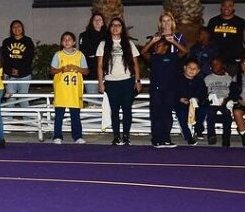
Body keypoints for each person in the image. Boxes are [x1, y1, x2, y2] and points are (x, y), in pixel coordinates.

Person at [97, 17, 142, 146]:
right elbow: (99, 65)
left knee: (127, 109)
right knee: (114, 110)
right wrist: (101, 82)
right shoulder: (103, 44)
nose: (115, 27)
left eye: (118, 25)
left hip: (127, 81)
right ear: (109, 28)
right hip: (111, 81)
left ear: (122, 29)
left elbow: (135, 64)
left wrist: (138, 80)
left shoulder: (129, 44)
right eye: (113, 25)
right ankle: (116, 136)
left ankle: (126, 136)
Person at [142, 37, 182, 148]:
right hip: (156, 90)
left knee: (167, 115)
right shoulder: (154, 58)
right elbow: (143, 52)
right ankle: (156, 139)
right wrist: (152, 41)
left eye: (158, 45)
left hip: (169, 90)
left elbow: (184, 51)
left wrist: (173, 41)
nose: (156, 47)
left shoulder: (172, 57)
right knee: (156, 115)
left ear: (166, 47)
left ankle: (166, 138)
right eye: (156, 46)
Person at [49, 31, 89, 144]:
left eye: (69, 39)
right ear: (62, 42)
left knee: (75, 115)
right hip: (61, 89)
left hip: (74, 90)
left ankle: (77, 136)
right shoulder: (58, 55)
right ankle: (57, 136)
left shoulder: (80, 55)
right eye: (64, 39)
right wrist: (61, 69)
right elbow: (52, 70)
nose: (67, 41)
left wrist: (77, 68)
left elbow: (86, 71)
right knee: (59, 115)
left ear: (74, 42)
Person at [207, 0, 245, 74]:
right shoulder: (213, 21)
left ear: (233, 8)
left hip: (234, 59)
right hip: (217, 59)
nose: (227, 8)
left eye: (230, 6)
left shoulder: (240, 22)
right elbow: (208, 39)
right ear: (221, 7)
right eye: (224, 5)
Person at [201, 56, 234, 146]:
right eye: (213, 65)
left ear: (223, 65)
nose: (214, 66)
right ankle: (211, 135)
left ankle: (226, 137)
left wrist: (226, 100)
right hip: (212, 101)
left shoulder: (228, 78)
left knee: (227, 115)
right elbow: (204, 91)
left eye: (216, 64)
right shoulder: (208, 78)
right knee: (210, 113)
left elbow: (232, 92)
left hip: (225, 101)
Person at [1, 20, 35, 104]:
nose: (16, 29)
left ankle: (26, 117)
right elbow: (4, 58)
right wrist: (11, 70)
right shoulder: (6, 42)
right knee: (10, 98)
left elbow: (29, 58)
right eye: (14, 27)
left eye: (18, 26)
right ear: (11, 29)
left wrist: (18, 69)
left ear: (22, 28)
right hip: (9, 74)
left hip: (24, 74)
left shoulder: (28, 41)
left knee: (23, 98)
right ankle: (9, 117)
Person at [176, 57, 207, 146]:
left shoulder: (200, 80)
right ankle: (188, 136)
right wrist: (180, 98)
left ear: (198, 71)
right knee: (182, 112)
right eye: (190, 68)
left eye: (195, 69)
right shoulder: (177, 79)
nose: (192, 70)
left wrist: (197, 99)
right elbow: (173, 91)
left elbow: (203, 93)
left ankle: (198, 129)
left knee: (204, 109)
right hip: (181, 102)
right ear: (185, 68)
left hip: (195, 103)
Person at [78, 13, 108, 95]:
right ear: (92, 22)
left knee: (107, 101)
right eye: (95, 20)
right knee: (93, 100)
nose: (97, 21)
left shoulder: (108, 36)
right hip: (90, 72)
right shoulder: (84, 35)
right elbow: (83, 54)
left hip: (106, 72)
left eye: (100, 20)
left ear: (103, 22)